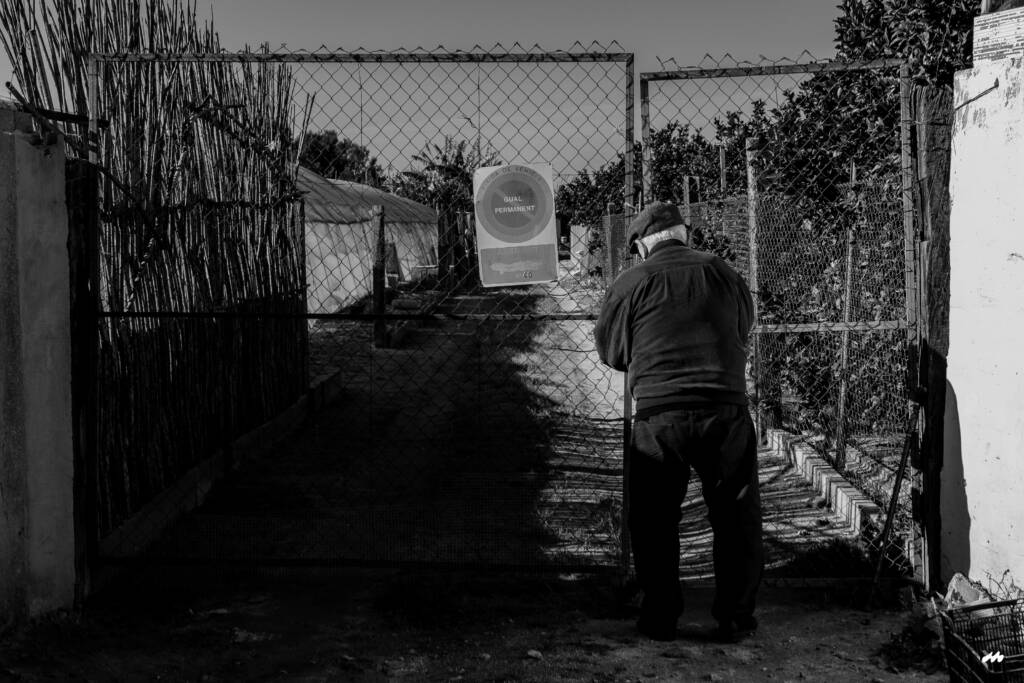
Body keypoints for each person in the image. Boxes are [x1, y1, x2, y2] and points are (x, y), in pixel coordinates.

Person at [594, 201, 763, 643]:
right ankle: (735, 617)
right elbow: (743, 328)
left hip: (659, 413)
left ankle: (661, 616)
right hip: (725, 407)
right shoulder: (723, 272)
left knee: (654, 518)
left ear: (641, 246)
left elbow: (612, 352)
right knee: (736, 515)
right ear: (684, 233)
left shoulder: (631, 282)